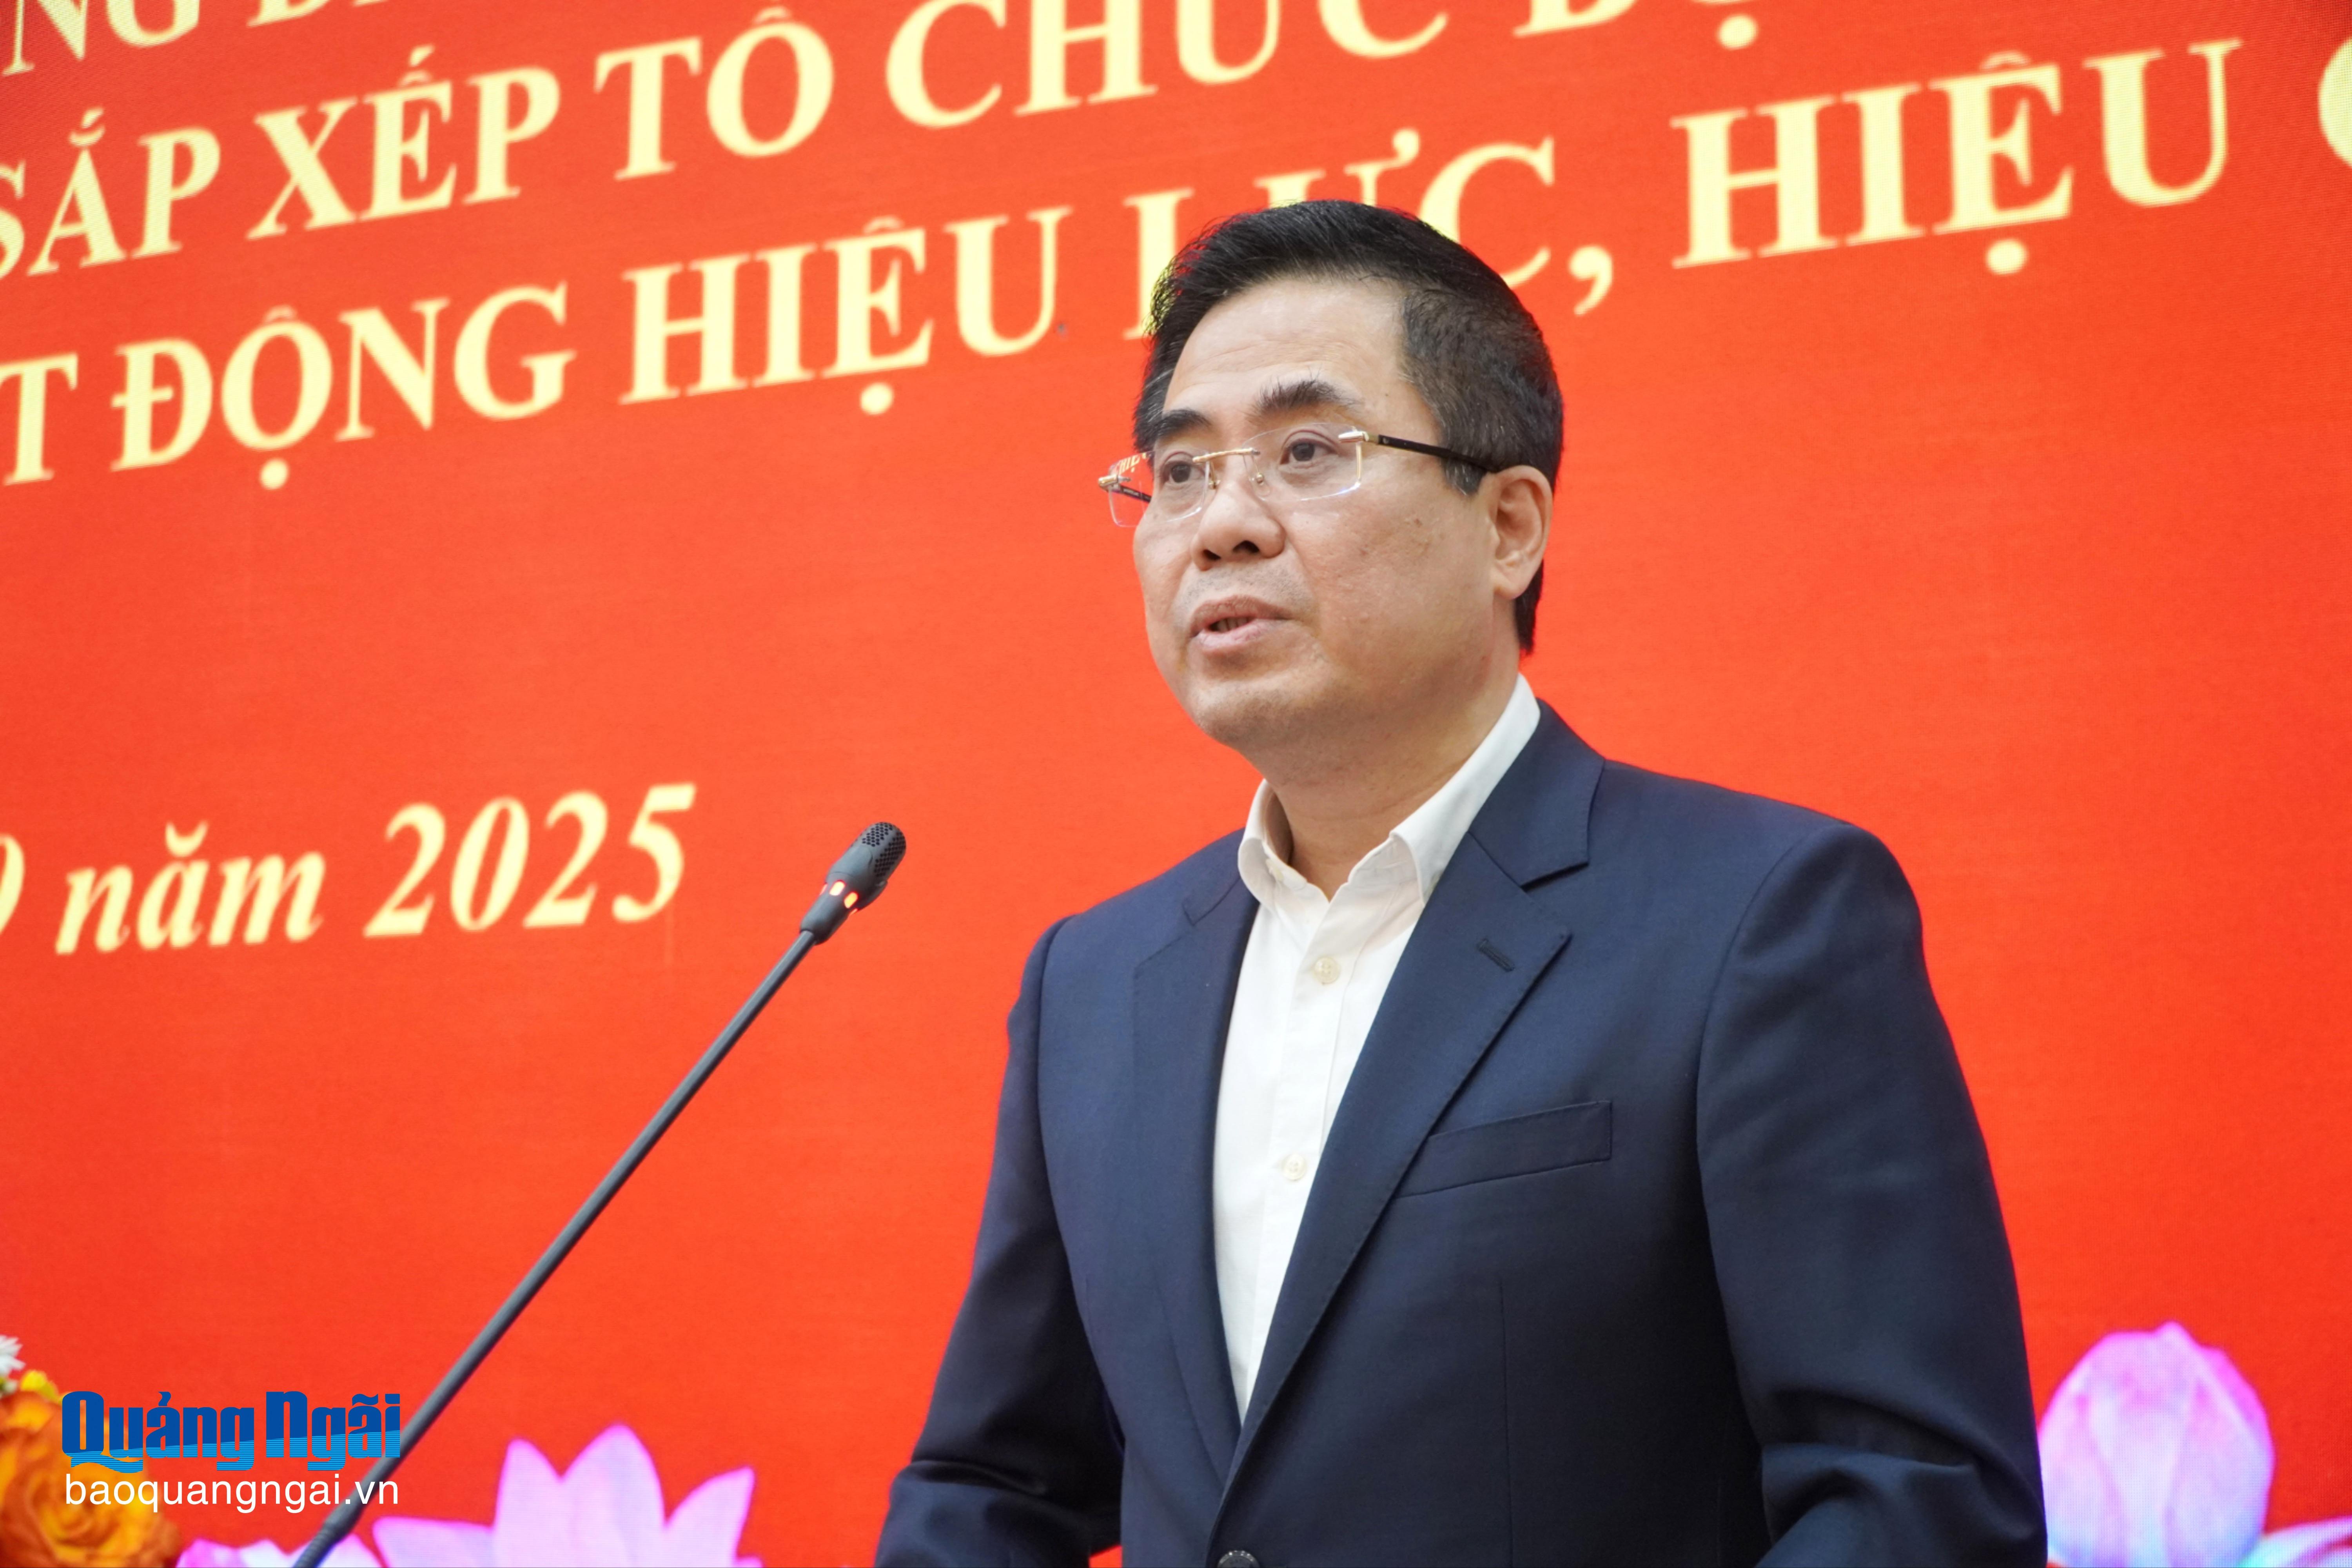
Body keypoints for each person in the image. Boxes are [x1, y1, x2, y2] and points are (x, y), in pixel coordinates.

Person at [876, 201, 2043, 1567]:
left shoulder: (1757, 920)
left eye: (1308, 452)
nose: (1223, 524)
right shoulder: (1097, 981)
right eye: (1180, 472)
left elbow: (1911, 1503)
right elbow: (997, 1488)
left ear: (1509, 527)